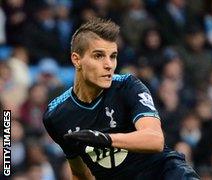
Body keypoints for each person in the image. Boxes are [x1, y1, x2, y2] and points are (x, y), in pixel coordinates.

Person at [42, 18, 199, 180]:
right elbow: (80, 174)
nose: (109, 64)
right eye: (99, 56)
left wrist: (105, 139)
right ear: (77, 59)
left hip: (165, 174)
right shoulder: (56, 116)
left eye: (113, 56)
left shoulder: (128, 86)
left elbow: (155, 139)